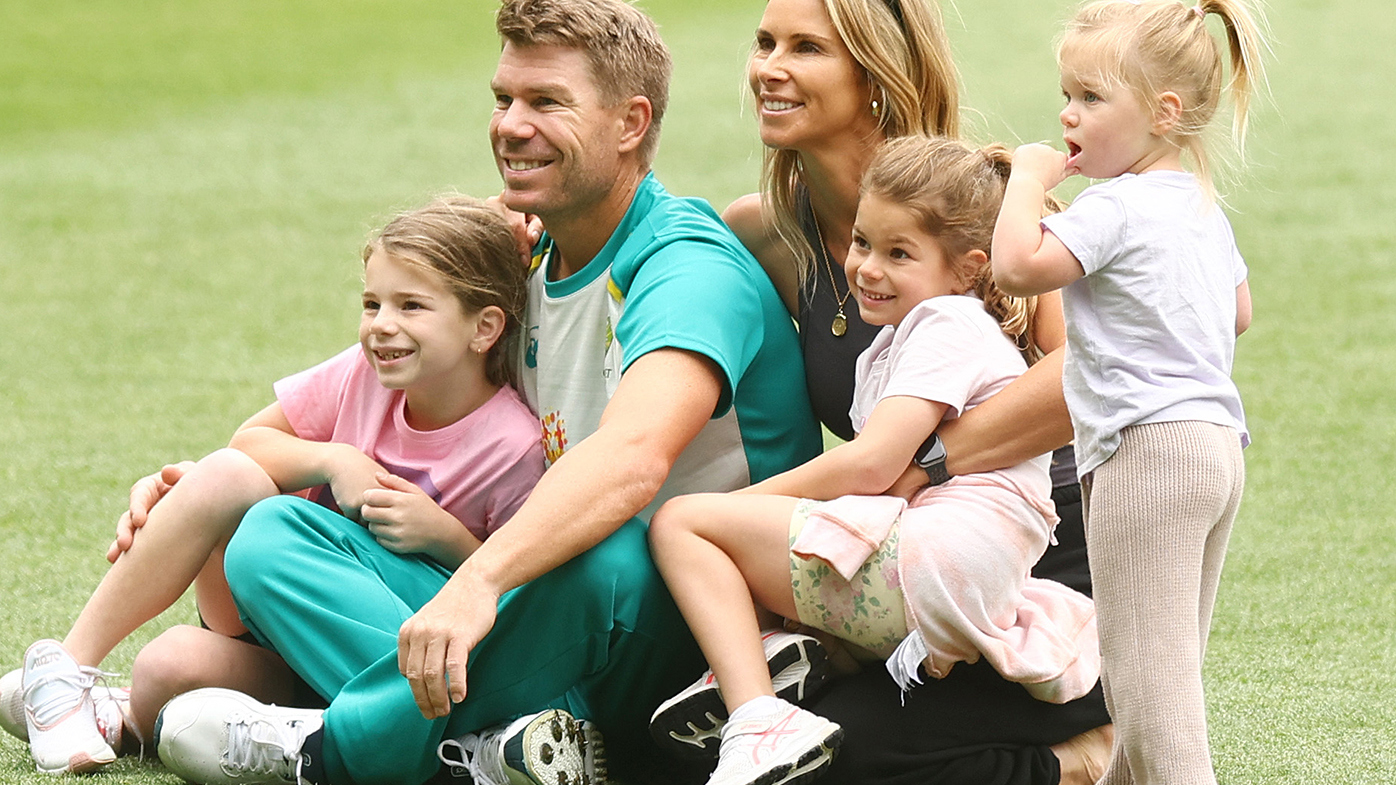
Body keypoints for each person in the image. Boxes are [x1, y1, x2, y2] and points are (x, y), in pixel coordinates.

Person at [151, 1, 821, 785]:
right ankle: (508, 745)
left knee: (609, 552)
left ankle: (336, 750)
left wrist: (479, 581)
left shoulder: (685, 265)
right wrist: (191, 494)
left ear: (630, 122)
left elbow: (634, 459)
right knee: (271, 533)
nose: (510, 124)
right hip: (543, 606)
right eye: (504, 99)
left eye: (546, 102)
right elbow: (328, 404)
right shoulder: (527, 256)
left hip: (681, 634)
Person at [0, 195, 545, 776]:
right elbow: (247, 443)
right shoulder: (365, 375)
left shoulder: (511, 446)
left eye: (411, 306)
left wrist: (445, 537)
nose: (382, 324)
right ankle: (65, 674)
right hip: (272, 618)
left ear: (484, 328)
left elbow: (522, 598)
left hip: (385, 654)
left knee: (167, 667)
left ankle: (130, 720)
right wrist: (332, 459)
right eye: (371, 303)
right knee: (226, 475)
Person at [713, 1, 1113, 784]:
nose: (768, 67)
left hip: (1044, 559)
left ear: (873, 78)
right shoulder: (765, 235)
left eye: (805, 48)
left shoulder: (986, 213)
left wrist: (919, 463)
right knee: (751, 742)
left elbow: (1083, 380)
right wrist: (531, 237)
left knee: (842, 756)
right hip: (906, 558)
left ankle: (1089, 756)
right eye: (764, 44)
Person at [990, 1, 1265, 783]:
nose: (1068, 113)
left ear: (1163, 112)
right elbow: (1239, 311)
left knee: (1155, 716)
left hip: (1144, 455)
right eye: (1066, 93)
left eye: (1090, 97)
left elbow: (1015, 266)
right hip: (1215, 449)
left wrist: (1029, 176)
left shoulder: (1113, 204)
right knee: (1155, 690)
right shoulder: (1200, 206)